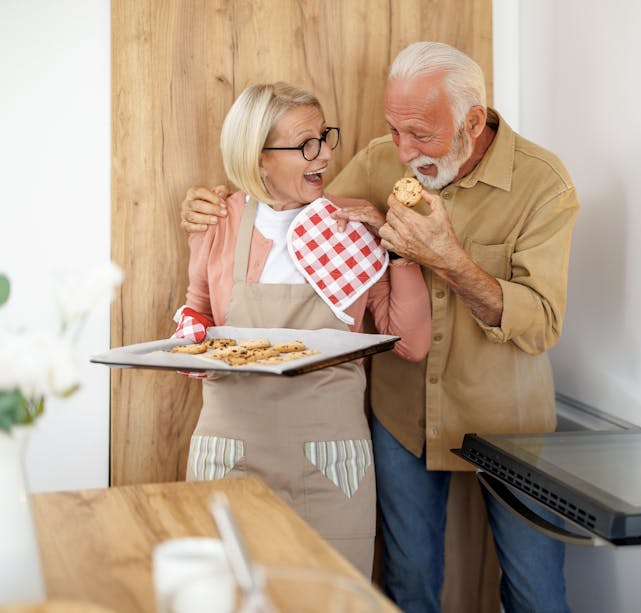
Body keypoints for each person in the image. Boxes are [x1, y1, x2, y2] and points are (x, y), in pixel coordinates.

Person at [180, 43, 579, 613]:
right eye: (394, 130)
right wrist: (208, 211)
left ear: (471, 122)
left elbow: (540, 324)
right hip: (401, 416)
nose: (402, 150)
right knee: (408, 584)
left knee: (536, 591)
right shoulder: (375, 161)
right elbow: (296, 208)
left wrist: (444, 258)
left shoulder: (544, 185)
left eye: (419, 134)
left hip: (507, 417)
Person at [172, 81, 431, 579]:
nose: (325, 154)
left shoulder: (353, 226)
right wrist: (191, 341)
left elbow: (413, 342)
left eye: (325, 137)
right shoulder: (216, 220)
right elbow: (197, 310)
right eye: (306, 143)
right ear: (259, 158)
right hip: (231, 450)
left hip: (329, 459)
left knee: (331, 596)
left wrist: (398, 248)